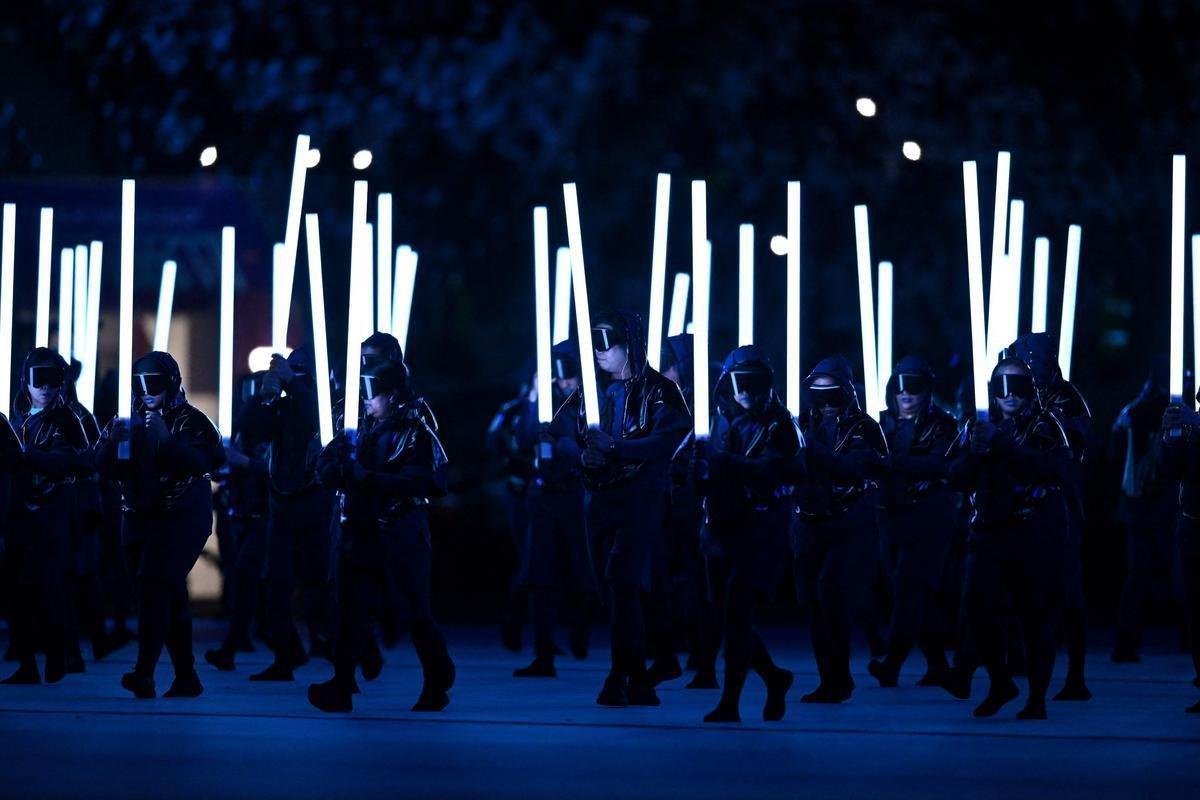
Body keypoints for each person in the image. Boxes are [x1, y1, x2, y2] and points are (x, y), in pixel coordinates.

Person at [556, 309, 691, 707]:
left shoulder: (660, 390)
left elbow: (666, 440)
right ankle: (644, 676)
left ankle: (619, 676)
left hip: (640, 498)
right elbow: (560, 430)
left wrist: (616, 448)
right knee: (611, 589)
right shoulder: (591, 390)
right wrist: (582, 455)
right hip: (598, 499)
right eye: (592, 342)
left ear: (629, 343)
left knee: (622, 580)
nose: (598, 352)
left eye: (606, 342)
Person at [308, 359, 455, 713]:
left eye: (372, 392)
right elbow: (324, 469)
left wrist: (368, 477)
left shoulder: (415, 431)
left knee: (415, 609)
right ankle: (342, 685)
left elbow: (429, 481)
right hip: (359, 531)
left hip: (399, 530)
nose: (366, 399)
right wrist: (333, 465)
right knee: (351, 608)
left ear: (392, 394)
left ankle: (436, 680)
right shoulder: (357, 428)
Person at [94, 351, 225, 699]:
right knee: (164, 593)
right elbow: (101, 466)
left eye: (154, 384)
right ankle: (186, 677)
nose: (146, 392)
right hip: (138, 517)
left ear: (171, 383)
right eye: (139, 384)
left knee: (155, 585)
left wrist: (167, 440)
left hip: (181, 516)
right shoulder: (127, 419)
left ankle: (144, 673)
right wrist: (113, 443)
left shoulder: (191, 420)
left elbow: (208, 460)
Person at [946, 356, 1071, 719]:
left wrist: (1003, 445)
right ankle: (1000, 681)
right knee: (977, 608)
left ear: (1029, 390)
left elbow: (1053, 469)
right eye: (1002, 387)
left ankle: (1037, 698)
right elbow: (954, 475)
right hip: (987, 533)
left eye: (1017, 387)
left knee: (1035, 616)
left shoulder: (1046, 424)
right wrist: (976, 453)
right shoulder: (977, 426)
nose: (1010, 395)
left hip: (1033, 534)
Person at [696, 345, 801, 722]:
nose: (746, 391)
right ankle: (774, 677)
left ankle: (730, 703)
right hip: (720, 529)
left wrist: (726, 464)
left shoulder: (781, 425)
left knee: (738, 610)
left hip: (760, 530)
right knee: (728, 616)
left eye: (754, 383)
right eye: (738, 382)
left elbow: (780, 469)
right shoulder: (718, 419)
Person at [791, 355, 887, 703]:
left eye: (833, 394)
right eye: (819, 395)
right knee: (812, 601)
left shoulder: (863, 427)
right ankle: (828, 679)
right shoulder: (801, 424)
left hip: (849, 523)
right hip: (809, 523)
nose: (826, 403)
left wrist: (811, 449)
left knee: (830, 590)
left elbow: (855, 468)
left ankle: (841, 677)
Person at [237, 348, 334, 681]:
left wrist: (293, 383)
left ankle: (347, 652)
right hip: (282, 506)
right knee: (274, 584)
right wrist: (265, 394)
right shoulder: (282, 407)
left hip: (316, 505)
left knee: (318, 586)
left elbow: (315, 419)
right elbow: (250, 428)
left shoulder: (326, 406)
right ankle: (286, 654)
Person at [1006, 333, 1093, 701]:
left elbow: (1071, 448)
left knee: (1067, 591)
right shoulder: (1025, 392)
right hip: (1021, 499)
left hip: (1060, 500)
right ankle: (1019, 660)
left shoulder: (1067, 399)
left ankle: (1075, 675)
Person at [868, 357, 959, 688]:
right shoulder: (880, 425)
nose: (906, 393)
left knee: (909, 587)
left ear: (927, 390)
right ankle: (938, 665)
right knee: (914, 592)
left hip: (929, 516)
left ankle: (892, 663)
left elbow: (939, 464)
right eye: (900, 386)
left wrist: (888, 462)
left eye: (915, 386)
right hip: (891, 517)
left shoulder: (943, 425)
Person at [2, 350, 89, 685]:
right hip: (21, 514)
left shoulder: (68, 420)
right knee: (19, 590)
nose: (45, 388)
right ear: (25, 381)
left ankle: (56, 658)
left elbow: (74, 461)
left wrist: (29, 456)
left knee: (51, 588)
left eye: (53, 380)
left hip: (55, 512)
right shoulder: (18, 421)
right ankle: (28, 662)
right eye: (38, 379)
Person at [513, 341, 597, 677]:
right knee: (539, 573)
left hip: (576, 494)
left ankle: (581, 625)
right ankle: (543, 653)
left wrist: (565, 444)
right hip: (544, 496)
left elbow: (594, 446)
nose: (564, 382)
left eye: (569, 375)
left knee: (582, 568)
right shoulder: (547, 402)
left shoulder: (591, 403)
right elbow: (523, 438)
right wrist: (536, 398)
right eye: (559, 375)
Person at [1112, 360, 1180, 662]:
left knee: (1139, 576)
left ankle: (1126, 643)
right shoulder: (1165, 410)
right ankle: (1187, 640)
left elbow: (1113, 453)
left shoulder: (1130, 411)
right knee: (1178, 573)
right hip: (1160, 504)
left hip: (1138, 503)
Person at [205, 372, 272, 670]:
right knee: (241, 577)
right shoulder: (238, 433)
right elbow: (222, 469)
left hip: (265, 516)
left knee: (251, 578)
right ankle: (252, 639)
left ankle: (232, 647)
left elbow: (279, 472)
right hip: (238, 513)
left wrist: (243, 463)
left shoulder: (277, 432)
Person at [1157, 396, 1200, 713]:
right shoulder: (1192, 429)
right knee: (1195, 610)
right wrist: (1169, 439)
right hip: (1193, 525)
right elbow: (1170, 472)